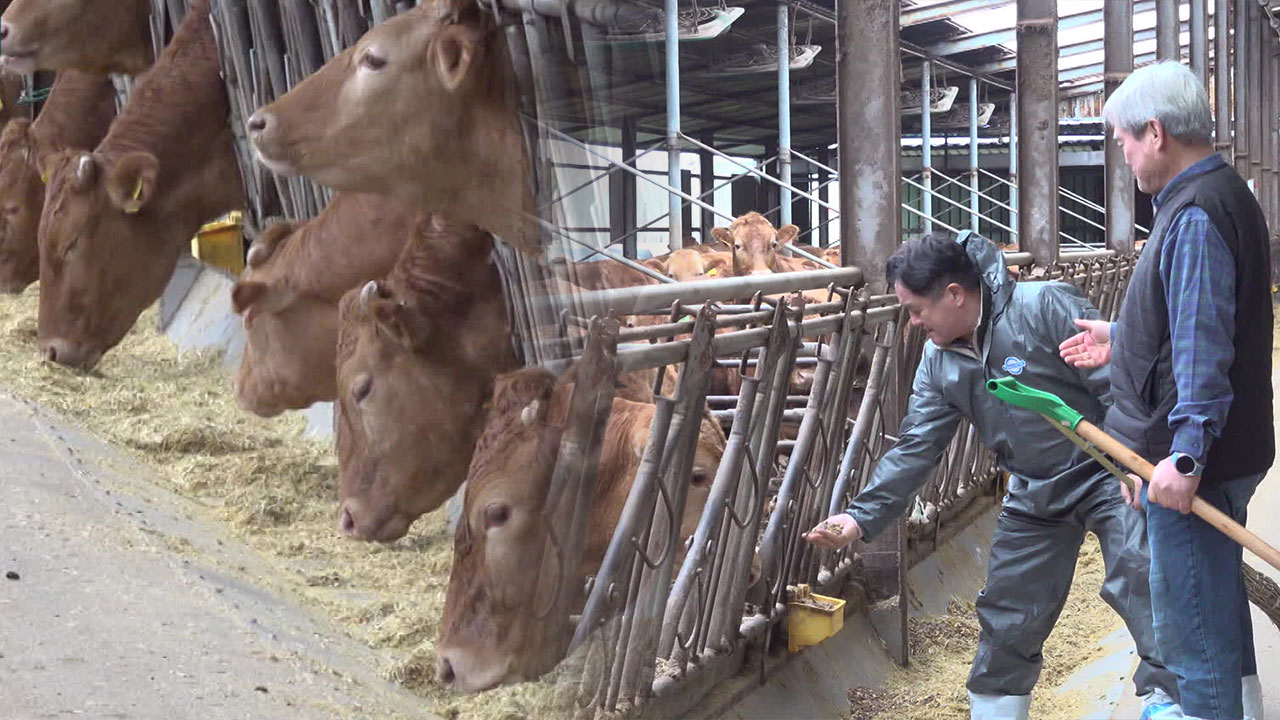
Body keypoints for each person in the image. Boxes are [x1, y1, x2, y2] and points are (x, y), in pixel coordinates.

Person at [804, 231, 1178, 720]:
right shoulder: (940, 363)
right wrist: (858, 519)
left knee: (1142, 576)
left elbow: (1117, 382)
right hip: (1033, 486)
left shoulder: (1042, 306)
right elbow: (916, 447)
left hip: (1105, 471)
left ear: (955, 295)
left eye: (917, 310)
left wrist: (1136, 461)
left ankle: (1172, 702)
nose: (914, 323)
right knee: (1008, 611)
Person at [1060, 60, 1271, 720]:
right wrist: (1126, 335)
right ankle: (1241, 705)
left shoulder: (1196, 214)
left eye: (1122, 140)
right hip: (1225, 450)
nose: (1121, 156)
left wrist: (1184, 457)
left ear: (1155, 133)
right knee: (1213, 599)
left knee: (1194, 630)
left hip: (1196, 464)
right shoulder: (1217, 192)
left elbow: (1205, 345)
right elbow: (1197, 316)